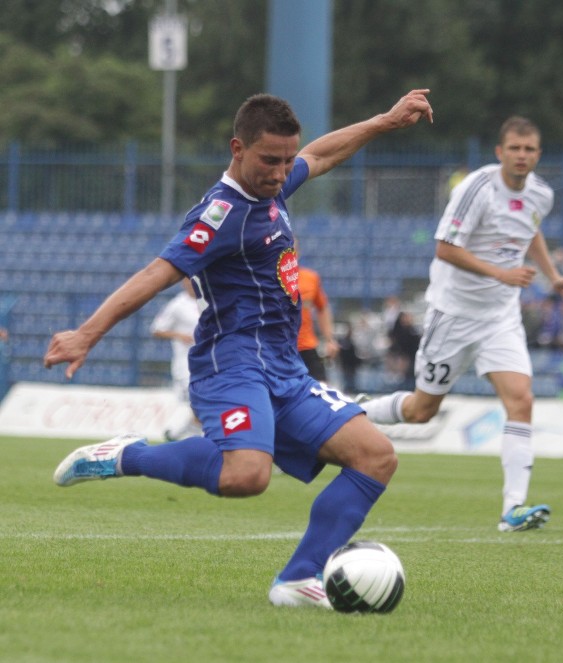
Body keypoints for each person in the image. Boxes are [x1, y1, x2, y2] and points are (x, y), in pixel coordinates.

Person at [44, 89, 433, 605]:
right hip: (232, 364)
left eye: (285, 160)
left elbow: (321, 155)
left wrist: (384, 121)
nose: (280, 171)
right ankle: (128, 456)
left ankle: (299, 578)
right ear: (237, 149)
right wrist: (86, 334)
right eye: (269, 160)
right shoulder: (220, 214)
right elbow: (156, 273)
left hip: (284, 367)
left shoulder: (271, 188)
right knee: (248, 476)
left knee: (376, 457)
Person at [359, 116, 563, 532]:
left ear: (538, 154)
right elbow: (445, 248)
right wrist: (501, 273)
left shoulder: (540, 195)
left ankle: (512, 510)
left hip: (500, 317)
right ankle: (351, 411)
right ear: (500, 152)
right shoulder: (476, 188)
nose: (521, 156)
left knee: (522, 400)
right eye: (514, 148)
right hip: (454, 314)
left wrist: (552, 276)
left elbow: (530, 231)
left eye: (529, 149)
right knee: (421, 410)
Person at [150, 278, 202, 440]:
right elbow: (156, 329)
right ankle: (186, 432)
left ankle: (179, 433)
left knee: (203, 399)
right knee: (197, 399)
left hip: (207, 360)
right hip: (185, 363)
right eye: (188, 281)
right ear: (183, 283)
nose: (191, 284)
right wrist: (178, 335)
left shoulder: (207, 301)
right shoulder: (177, 304)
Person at [296, 260, 338, 382]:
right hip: (277, 349)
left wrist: (329, 339)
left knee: (322, 389)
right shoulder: (267, 277)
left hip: (306, 347)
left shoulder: (310, 278)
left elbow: (322, 307)